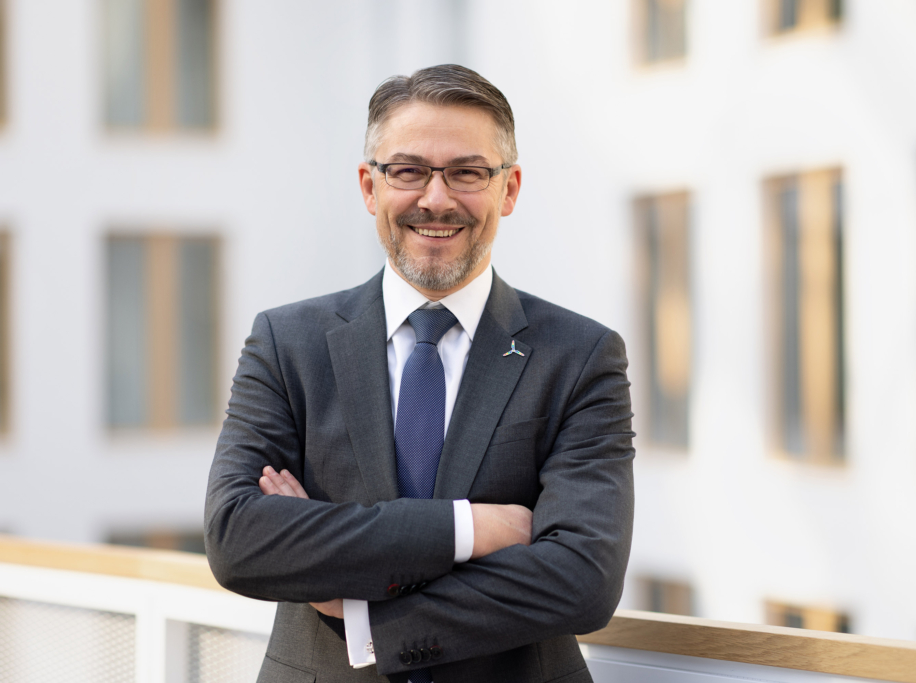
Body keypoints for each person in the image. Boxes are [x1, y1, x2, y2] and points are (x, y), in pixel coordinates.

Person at [205, 64, 634, 683]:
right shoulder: (287, 343)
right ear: (369, 187)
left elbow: (583, 579)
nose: (436, 198)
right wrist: (471, 528)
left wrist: (362, 616)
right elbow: (238, 538)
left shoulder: (581, 356)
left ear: (508, 189)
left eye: (467, 172)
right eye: (408, 171)